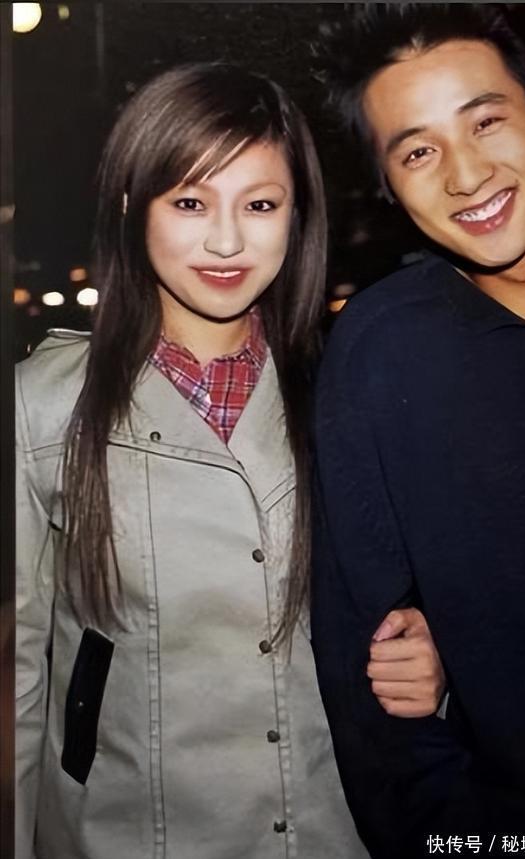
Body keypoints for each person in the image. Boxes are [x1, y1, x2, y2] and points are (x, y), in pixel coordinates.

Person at [15, 62, 445, 859]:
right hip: (123, 833)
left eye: (260, 204)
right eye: (189, 202)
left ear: (297, 215)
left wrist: (430, 655)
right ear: (129, 204)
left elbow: (430, 599)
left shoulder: (350, 389)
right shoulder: (44, 405)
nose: (225, 240)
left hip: (328, 827)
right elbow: (15, 676)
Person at [310, 5, 525, 855]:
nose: (466, 174)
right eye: (417, 151)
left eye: (486, 121)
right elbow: (367, 667)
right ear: (388, 184)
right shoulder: (380, 352)